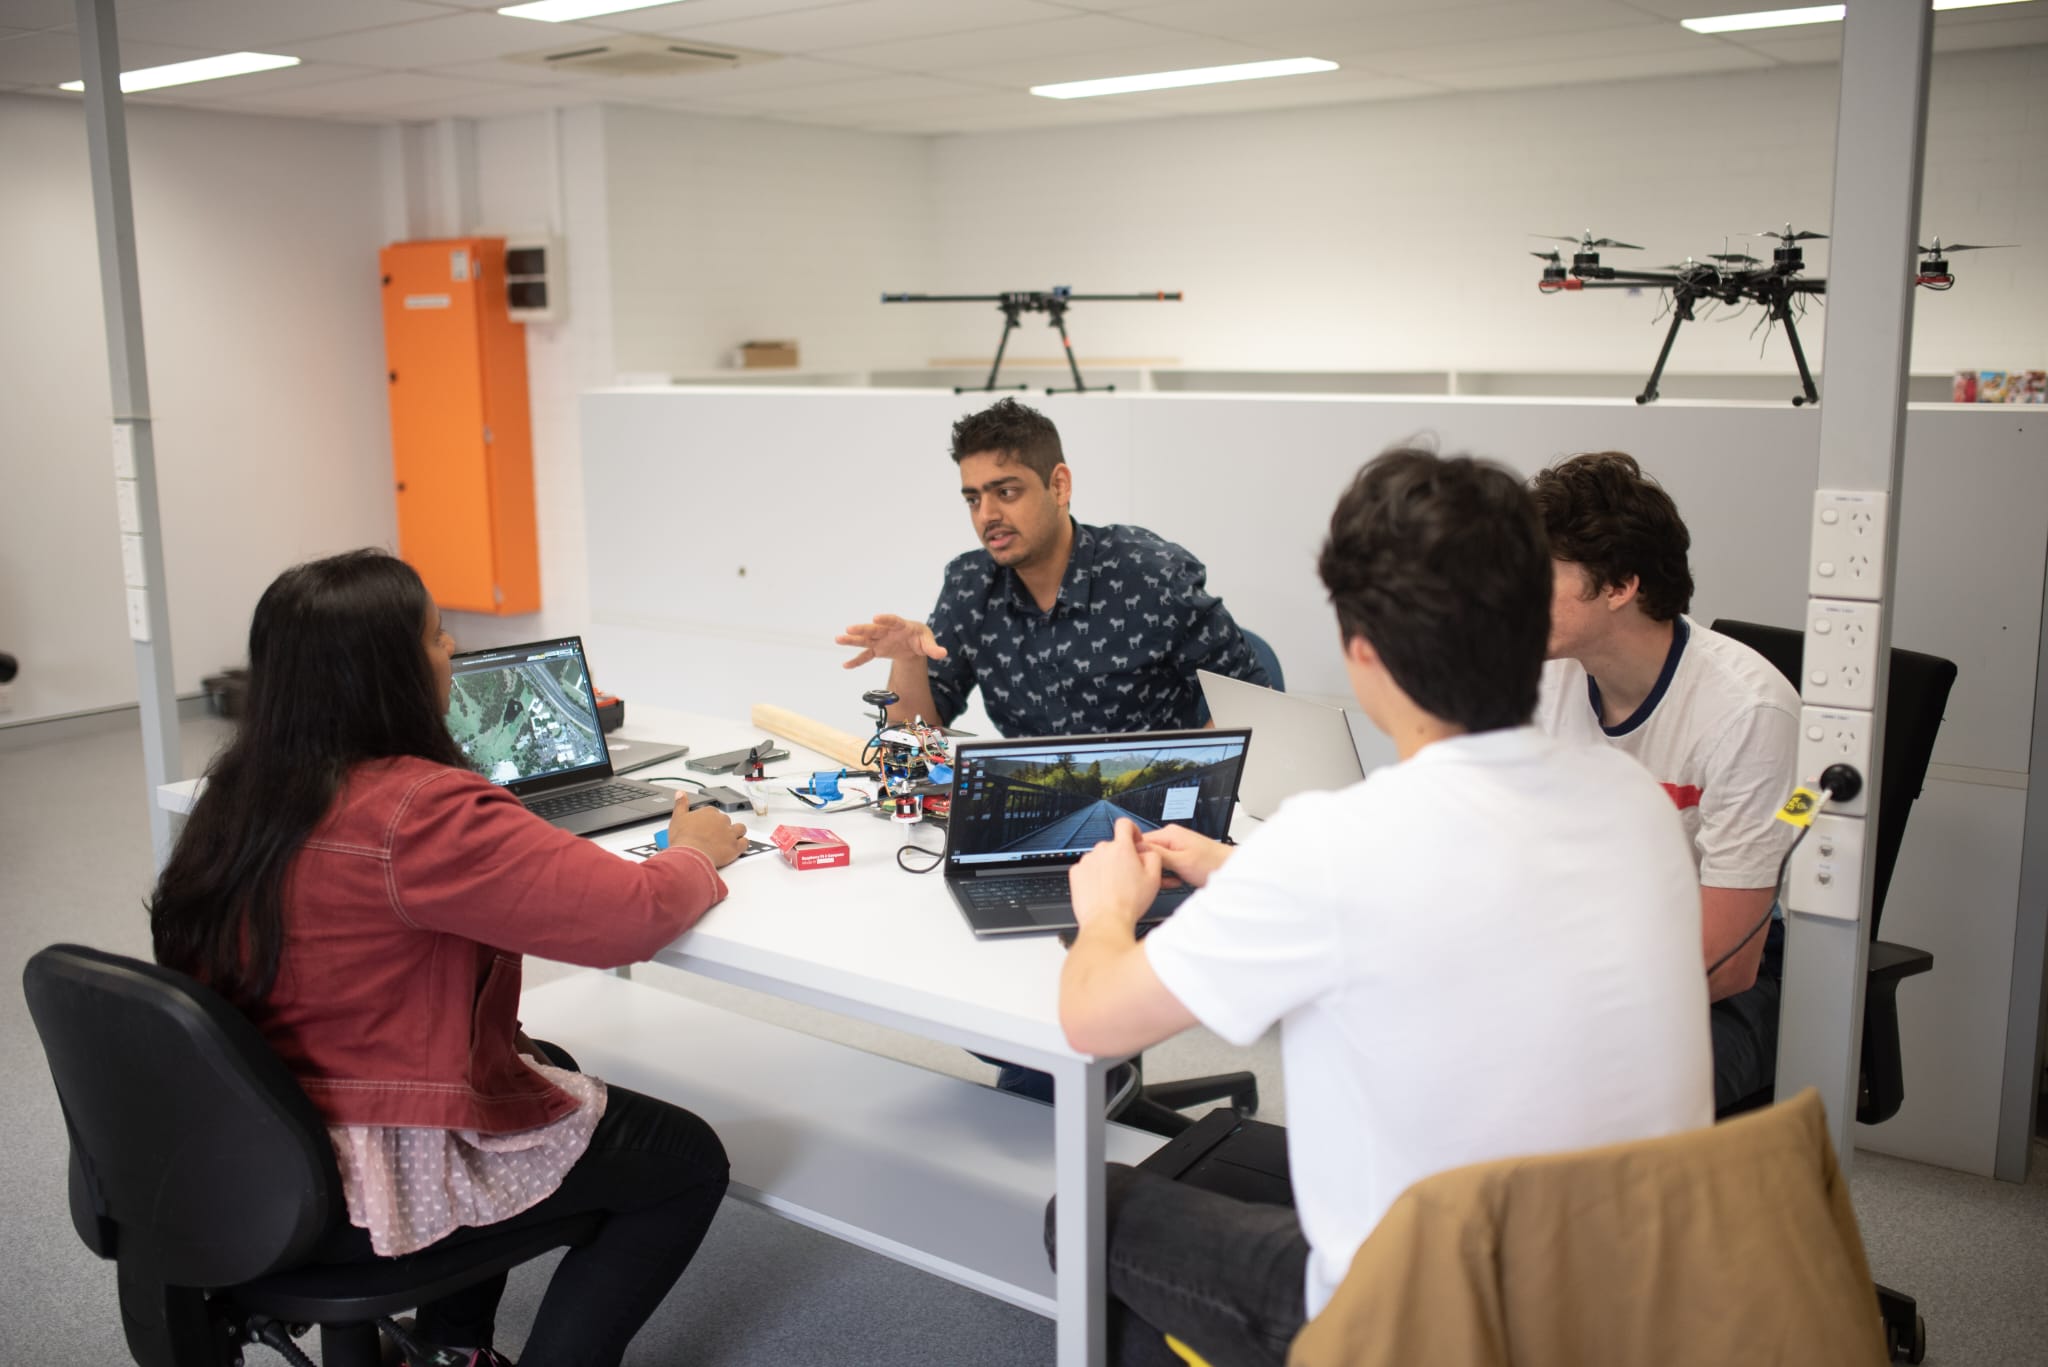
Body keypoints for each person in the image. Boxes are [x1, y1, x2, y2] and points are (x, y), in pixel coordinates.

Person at [1048, 449, 1713, 1367]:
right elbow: (1432, 906)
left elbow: (1090, 1017)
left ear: (1364, 655)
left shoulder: (1335, 846)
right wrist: (1241, 869)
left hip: (1420, 1328)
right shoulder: (1636, 802)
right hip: (1631, 1309)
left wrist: (1106, 912)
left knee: (1090, 1210)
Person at [148, 550, 747, 1367]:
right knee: (685, 1160)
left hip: (246, 1147)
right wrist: (694, 852)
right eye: (436, 634)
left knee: (545, 1064)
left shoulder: (239, 790)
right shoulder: (420, 809)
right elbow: (630, 918)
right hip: (354, 1180)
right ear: (387, 670)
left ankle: (452, 1351)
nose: (455, 647)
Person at [1529, 451, 1801, 1112]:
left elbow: (1729, 957)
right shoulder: (1544, 678)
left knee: (1583, 1098)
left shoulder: (1745, 712)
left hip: (1729, 976)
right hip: (1590, 945)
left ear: (1620, 584)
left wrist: (1564, 1005)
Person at [838, 396, 1269, 737]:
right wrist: (908, 662)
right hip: (1033, 813)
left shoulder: (1150, 572)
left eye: (1005, 492)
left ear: (1058, 485)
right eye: (973, 499)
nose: (986, 514)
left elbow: (1253, 702)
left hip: (1153, 820)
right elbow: (917, 740)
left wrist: (1191, 791)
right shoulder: (971, 585)